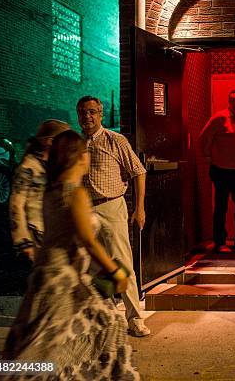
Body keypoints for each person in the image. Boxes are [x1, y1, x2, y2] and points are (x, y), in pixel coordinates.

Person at [1, 130, 140, 380]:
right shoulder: (75, 194)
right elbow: (86, 240)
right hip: (64, 281)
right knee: (95, 331)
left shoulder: (51, 192)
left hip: (48, 276)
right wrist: (116, 271)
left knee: (44, 345)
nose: (89, 157)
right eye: (86, 152)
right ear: (78, 157)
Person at [76, 95, 150, 337]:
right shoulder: (75, 145)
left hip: (111, 206)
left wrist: (139, 209)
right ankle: (95, 320)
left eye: (91, 112)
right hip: (85, 210)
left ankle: (135, 319)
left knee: (122, 263)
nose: (87, 117)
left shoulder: (114, 140)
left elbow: (139, 172)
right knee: (88, 266)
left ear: (100, 114)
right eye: (82, 112)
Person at [198, 89, 235, 253]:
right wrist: (208, 159)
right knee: (221, 206)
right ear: (229, 101)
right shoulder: (220, 117)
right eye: (234, 100)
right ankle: (220, 242)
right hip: (222, 169)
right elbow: (204, 138)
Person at [10, 119, 70, 262]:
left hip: (55, 234)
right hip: (37, 235)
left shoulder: (55, 165)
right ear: (50, 141)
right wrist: (23, 240)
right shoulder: (29, 167)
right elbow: (16, 205)